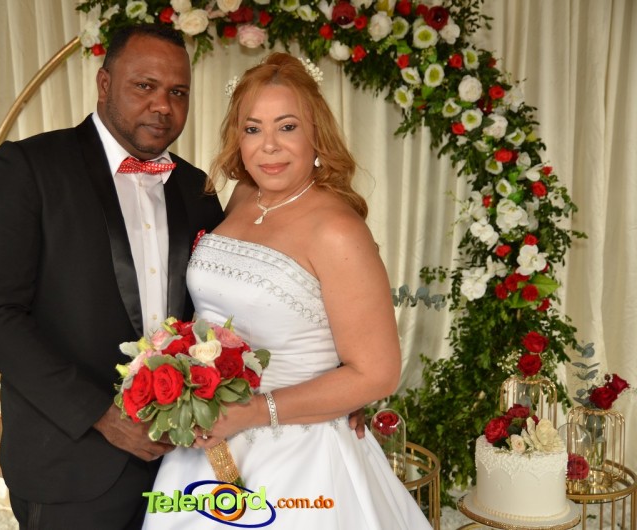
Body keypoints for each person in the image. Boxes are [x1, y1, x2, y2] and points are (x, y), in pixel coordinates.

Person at [142, 53, 432, 529]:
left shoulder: (337, 230)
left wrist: (254, 411)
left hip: (302, 458)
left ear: (316, 133)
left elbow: (377, 373)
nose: (269, 146)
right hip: (207, 444)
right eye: (253, 129)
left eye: (287, 127)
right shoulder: (242, 196)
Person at [0, 25, 224, 529]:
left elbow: (225, 306)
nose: (163, 106)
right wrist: (102, 415)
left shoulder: (198, 189)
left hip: (181, 462)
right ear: (104, 84)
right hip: (71, 461)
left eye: (178, 92)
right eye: (144, 86)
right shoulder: (30, 167)